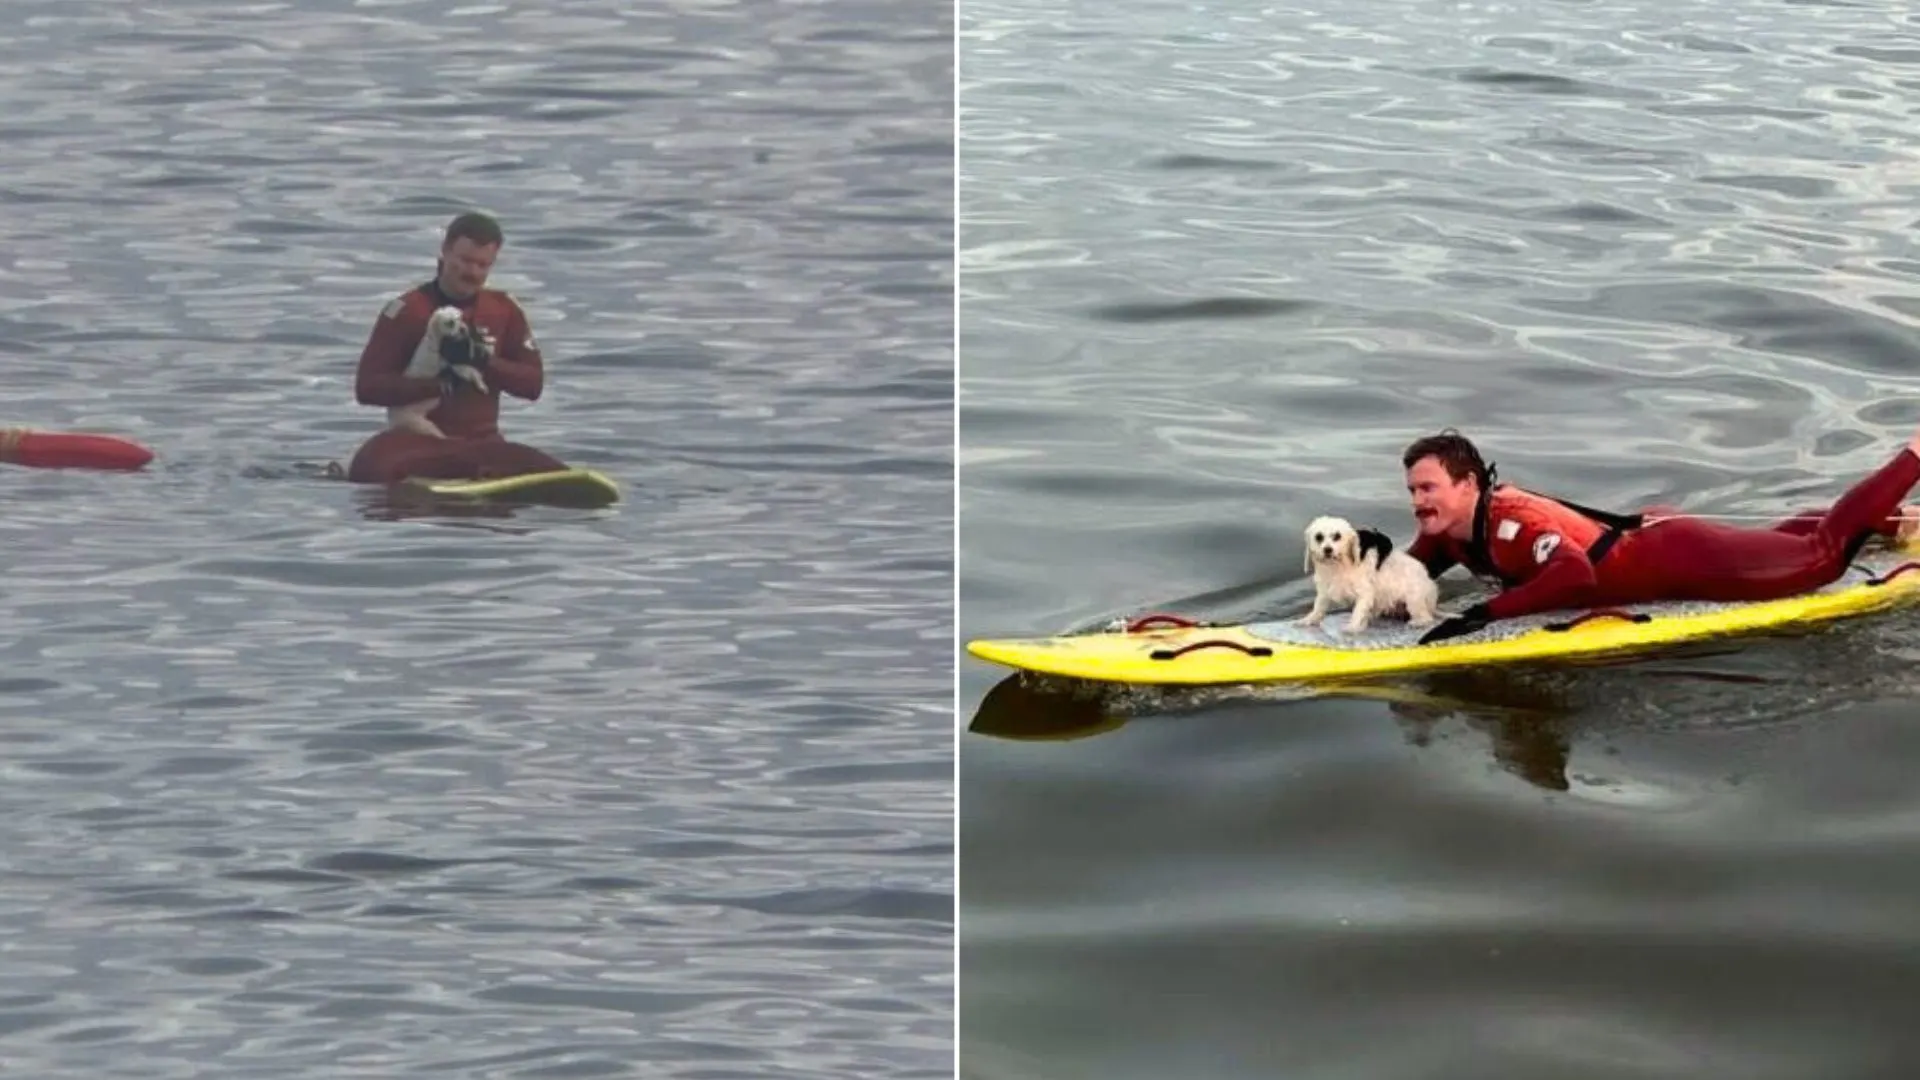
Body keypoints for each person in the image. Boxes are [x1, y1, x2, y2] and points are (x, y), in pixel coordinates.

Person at [1401, 427, 1920, 644]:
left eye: (1429, 488)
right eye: (1412, 490)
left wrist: (1484, 615)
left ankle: (1913, 455)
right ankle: (1895, 523)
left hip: (1677, 559)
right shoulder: (1445, 531)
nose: (1418, 501)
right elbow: (1404, 575)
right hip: (1652, 538)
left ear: (1468, 484)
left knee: (1822, 556)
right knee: (1775, 545)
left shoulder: (1513, 522)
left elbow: (1575, 576)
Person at [345, 211, 571, 484]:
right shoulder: (406, 311)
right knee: (370, 464)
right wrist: (440, 384)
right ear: (445, 251)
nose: (472, 272)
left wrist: (483, 361)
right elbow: (367, 388)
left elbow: (532, 386)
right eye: (465, 261)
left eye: (483, 265)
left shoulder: (504, 310)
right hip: (418, 442)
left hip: (482, 445)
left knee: (522, 462)